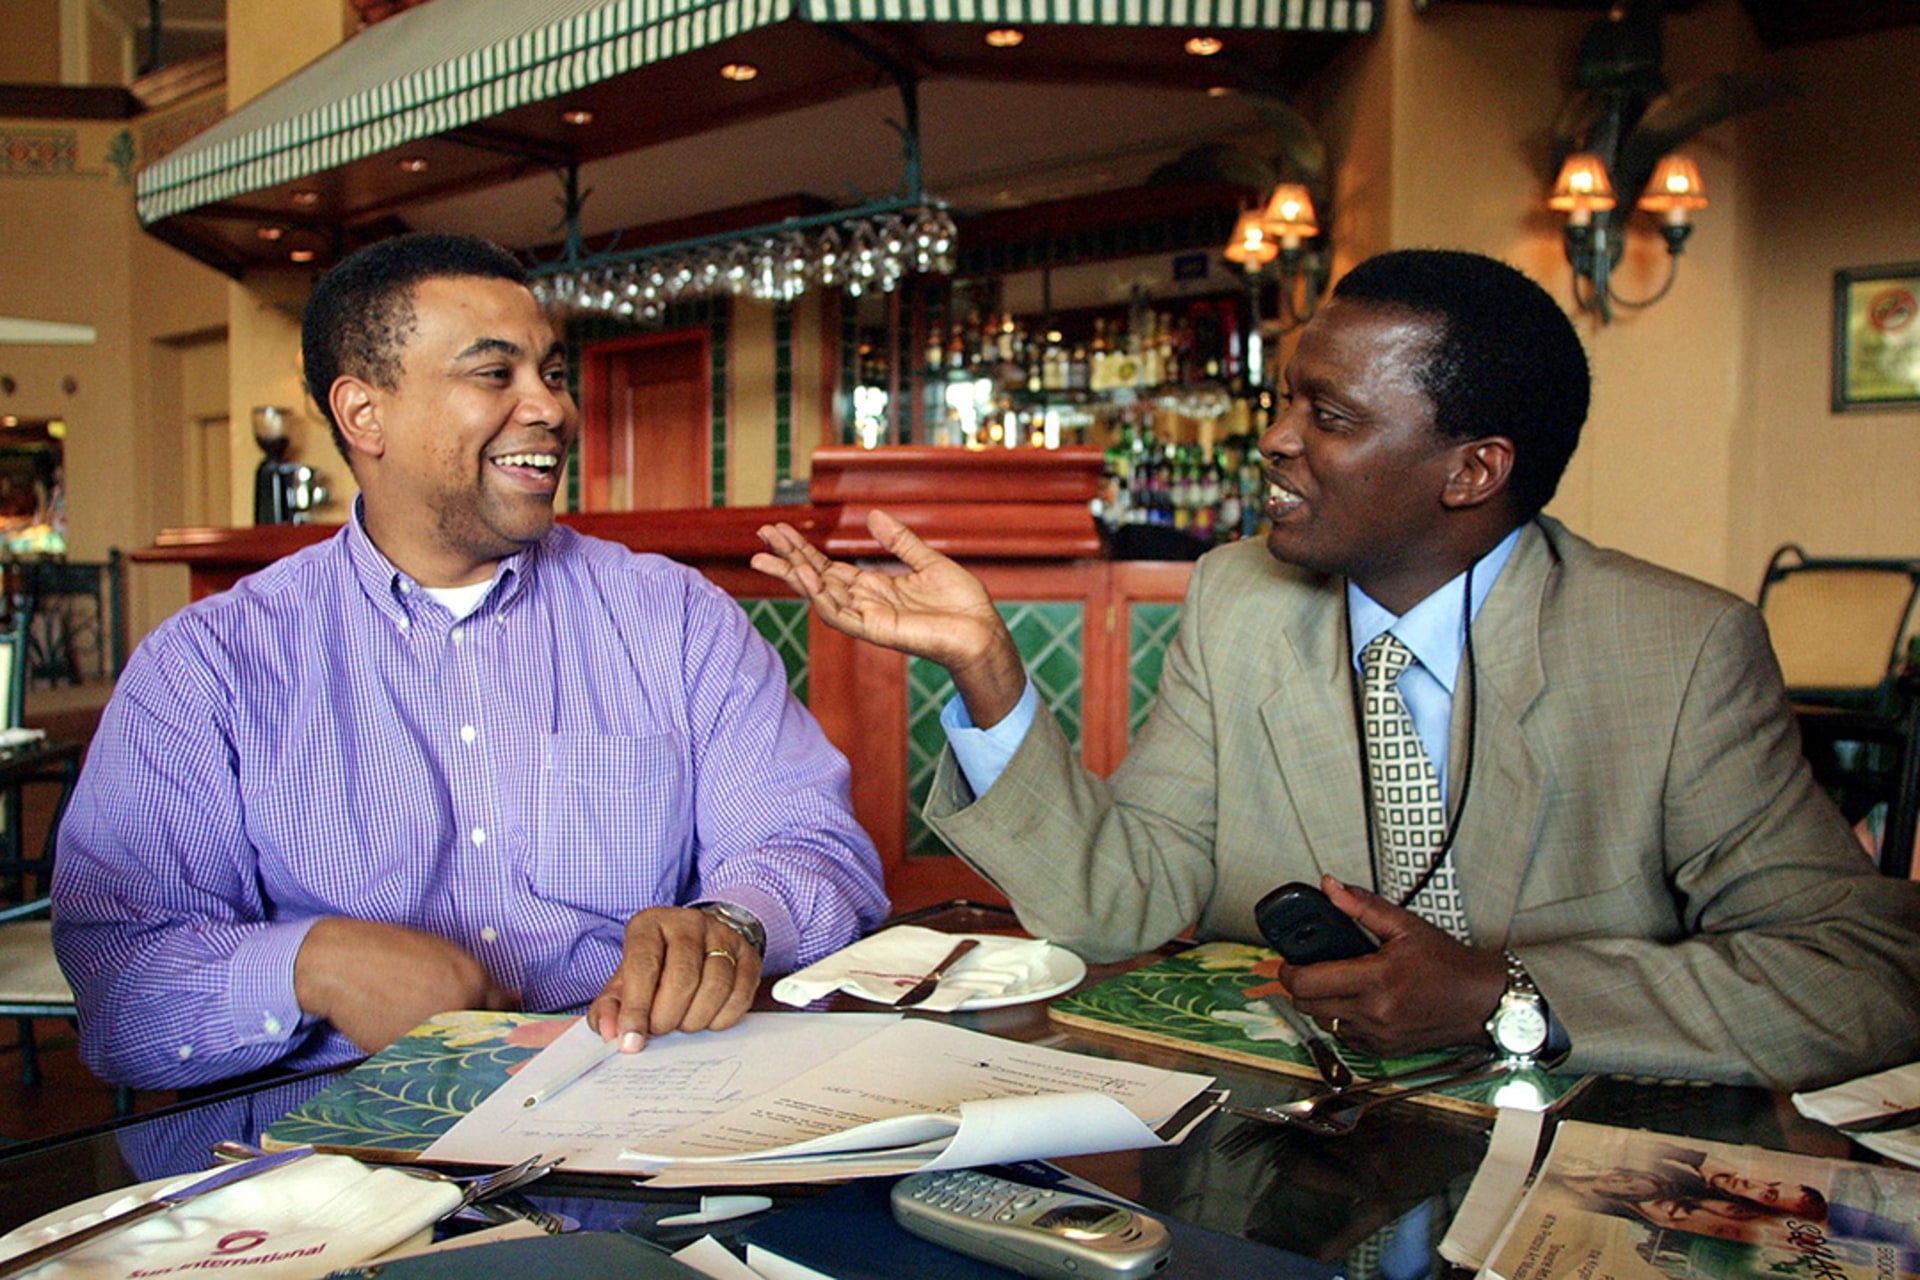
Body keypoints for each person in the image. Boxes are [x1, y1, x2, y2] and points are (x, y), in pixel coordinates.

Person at [754, 248, 1920, 1090]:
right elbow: (1126, 898)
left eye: (1333, 415)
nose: (1275, 438)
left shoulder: (1677, 650)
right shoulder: (1239, 599)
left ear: (1472, 471)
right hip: (1292, 1150)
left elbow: (1861, 974)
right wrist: (988, 666)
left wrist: (1507, 994)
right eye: (1284, 400)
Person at [52, 232, 888, 1091]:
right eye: (496, 374)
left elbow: (813, 846)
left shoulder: (672, 619)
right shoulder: (208, 668)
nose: (552, 408)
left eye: (552, 374)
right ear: (362, 414)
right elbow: (117, 986)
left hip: (635, 1120)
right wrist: (312, 966)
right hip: (333, 1170)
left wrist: (733, 921)